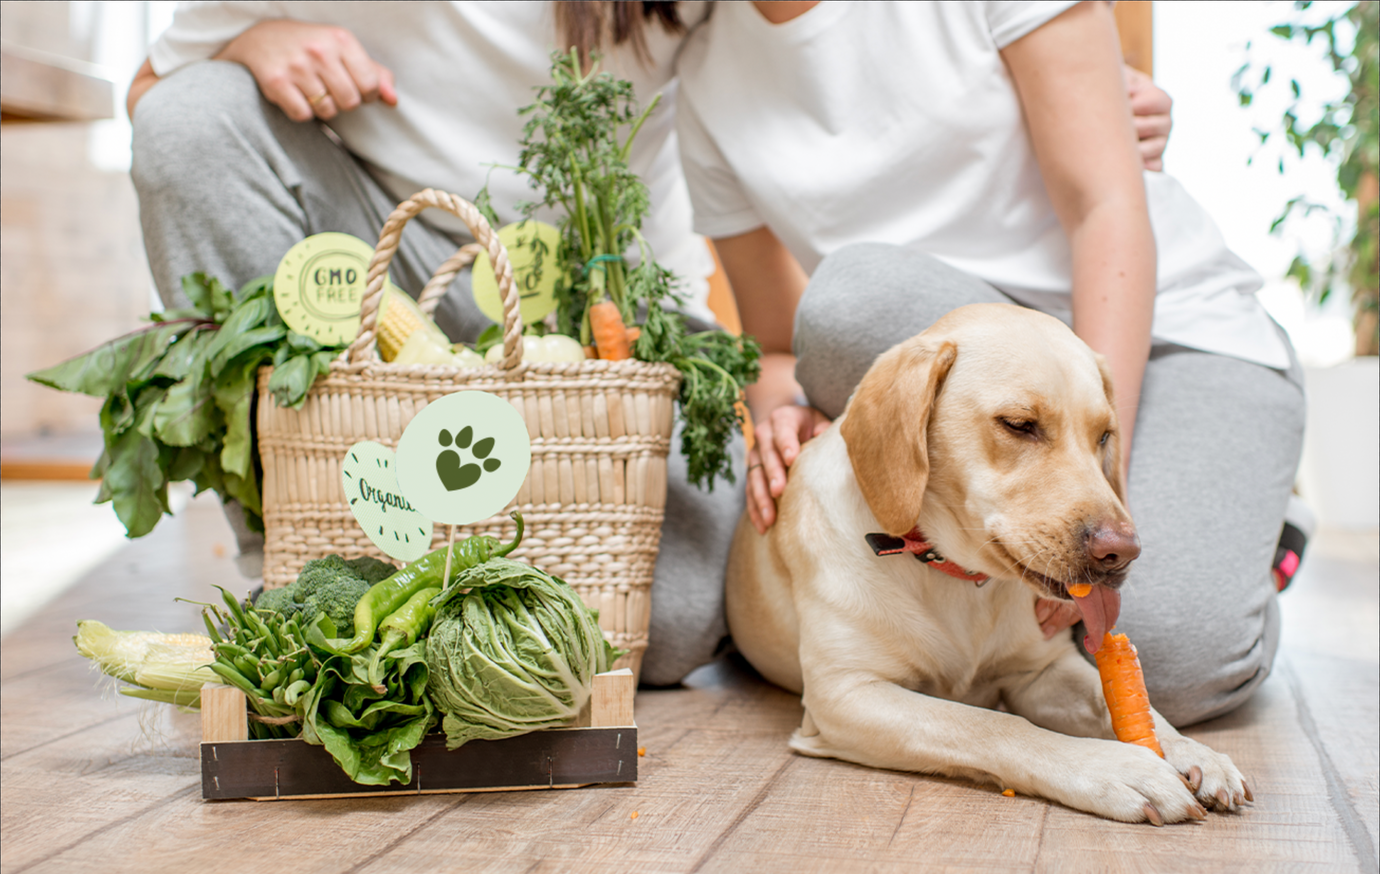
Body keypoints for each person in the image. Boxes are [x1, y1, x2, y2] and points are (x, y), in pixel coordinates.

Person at [129, 1, 1178, 688]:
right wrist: (250, 42)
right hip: (379, 258)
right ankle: (305, 551)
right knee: (187, 121)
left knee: (666, 630)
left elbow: (847, 64)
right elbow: (152, 107)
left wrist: (1061, 91)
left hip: (605, 291)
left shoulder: (690, 11)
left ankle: (484, 542)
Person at [675, 0, 1304, 725]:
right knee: (849, 303)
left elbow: (1109, 210)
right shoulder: (707, 71)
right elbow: (781, 341)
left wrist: (1089, 485)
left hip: (1177, 332)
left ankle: (1259, 529)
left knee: (1176, 665)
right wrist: (781, 409)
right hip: (965, 363)